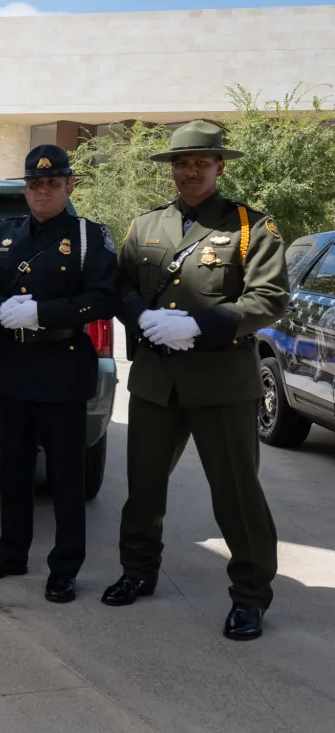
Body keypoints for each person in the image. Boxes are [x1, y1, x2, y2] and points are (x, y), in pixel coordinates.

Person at [104, 120, 288, 641]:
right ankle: (137, 570)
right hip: (158, 381)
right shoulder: (146, 227)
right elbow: (121, 285)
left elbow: (269, 298)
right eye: (181, 163)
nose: (189, 171)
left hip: (222, 382)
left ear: (219, 166)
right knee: (143, 485)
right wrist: (139, 316)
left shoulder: (251, 227)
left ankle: (251, 595)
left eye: (200, 163)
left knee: (235, 492)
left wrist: (201, 324)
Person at [0, 145, 118, 603]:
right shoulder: (3, 234)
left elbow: (104, 298)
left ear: (70, 186)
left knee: (66, 478)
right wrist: (4, 309)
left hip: (63, 368)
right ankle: (11, 552)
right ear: (25, 189)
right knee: (13, 471)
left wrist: (42, 313)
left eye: (53, 183)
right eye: (35, 183)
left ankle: (65, 566)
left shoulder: (91, 238)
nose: (43, 190)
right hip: (15, 366)